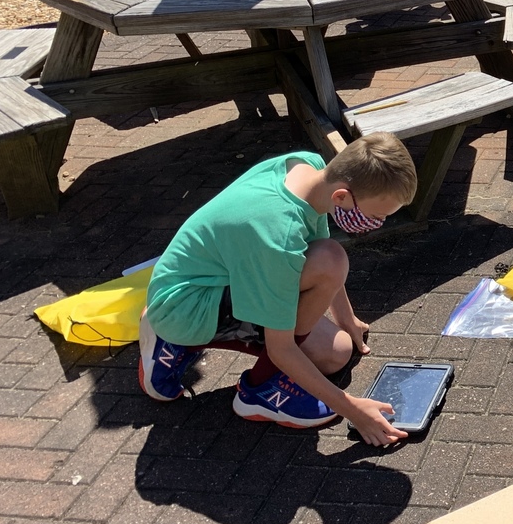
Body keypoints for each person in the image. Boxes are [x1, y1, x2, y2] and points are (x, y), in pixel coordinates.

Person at [138, 133, 418, 448]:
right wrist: (354, 411)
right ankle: (258, 391)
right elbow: (281, 349)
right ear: (341, 197)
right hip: (183, 308)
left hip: (201, 280)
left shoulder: (308, 169)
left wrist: (347, 318)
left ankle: (177, 334)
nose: (376, 223)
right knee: (330, 261)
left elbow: (319, 254)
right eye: (375, 216)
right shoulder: (278, 238)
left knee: (336, 352)